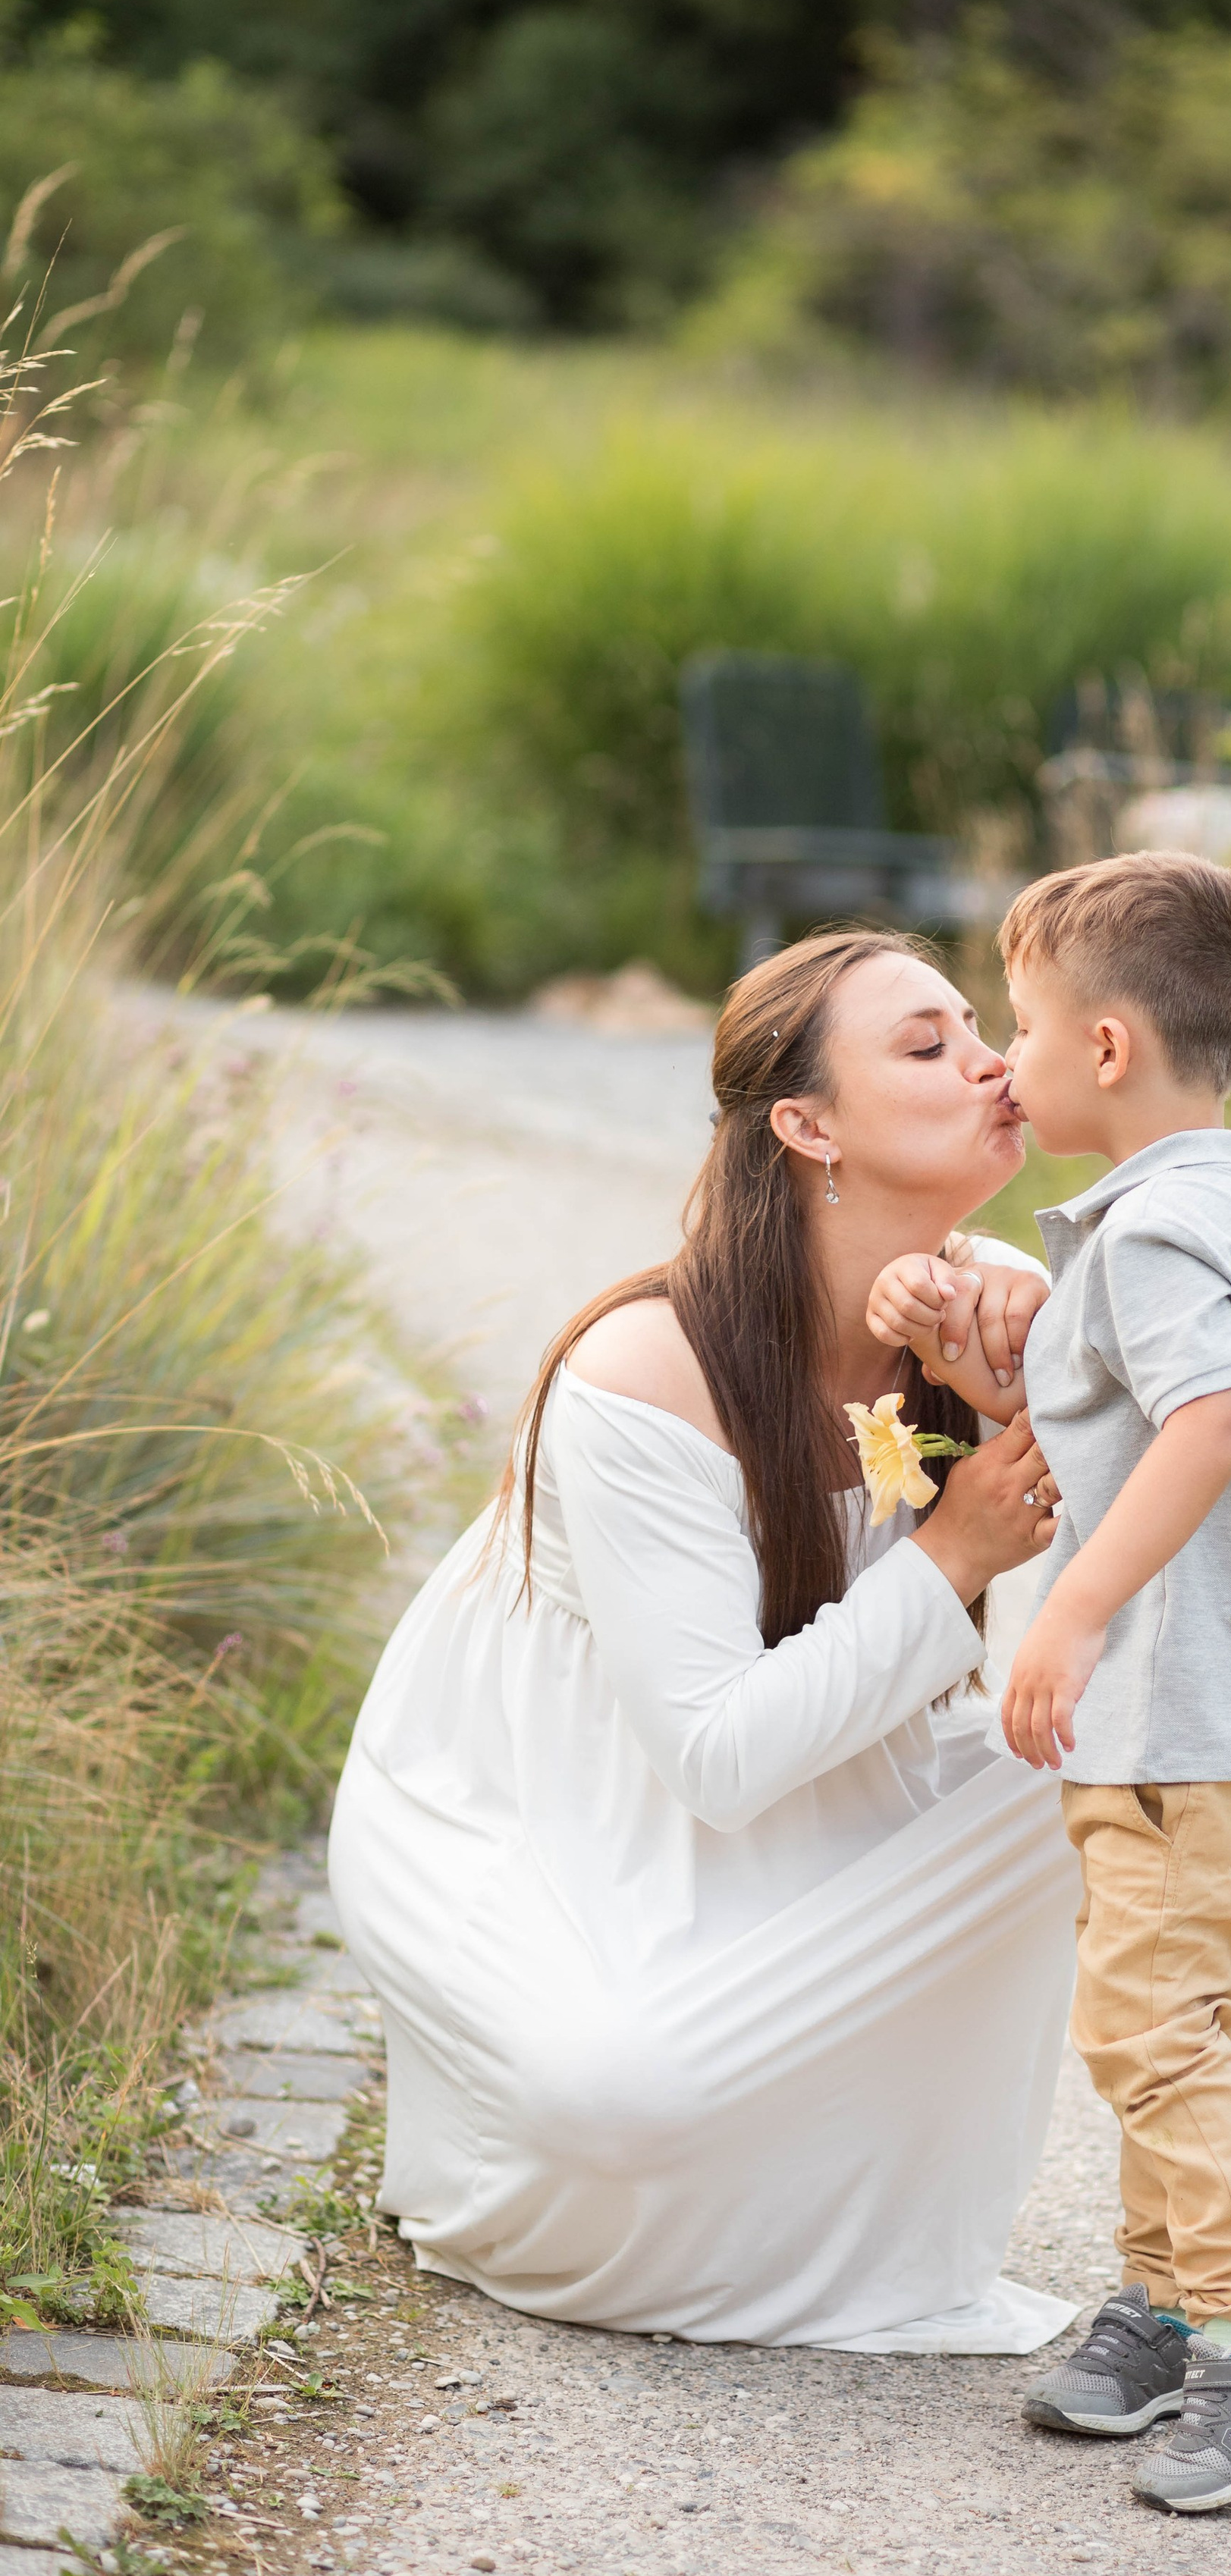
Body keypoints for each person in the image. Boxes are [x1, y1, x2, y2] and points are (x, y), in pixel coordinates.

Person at [328, 931, 1082, 2355]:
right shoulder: (643, 1372)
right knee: (614, 2104)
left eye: (980, 1029)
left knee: (1111, 1752)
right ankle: (698, 2146)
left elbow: (1115, 1607)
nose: (989, 1062)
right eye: (925, 1047)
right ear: (807, 1127)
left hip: (827, 1798)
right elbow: (719, 1762)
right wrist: (956, 1550)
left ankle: (1180, 2249)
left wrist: (1035, 1407)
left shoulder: (978, 1307)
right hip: (568, 1823)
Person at [866, 851, 1231, 2509]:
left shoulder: (1150, 1234)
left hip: (1191, 1730)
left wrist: (1066, 1614)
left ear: (1104, 1051)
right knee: (1154, 2022)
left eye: (1015, 1025)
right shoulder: (1192, 1205)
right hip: (1207, 1735)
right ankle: (1158, 2300)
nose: (995, 1061)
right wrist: (964, 1363)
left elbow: (1202, 1427)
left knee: (1154, 2035)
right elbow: (1119, 1419)